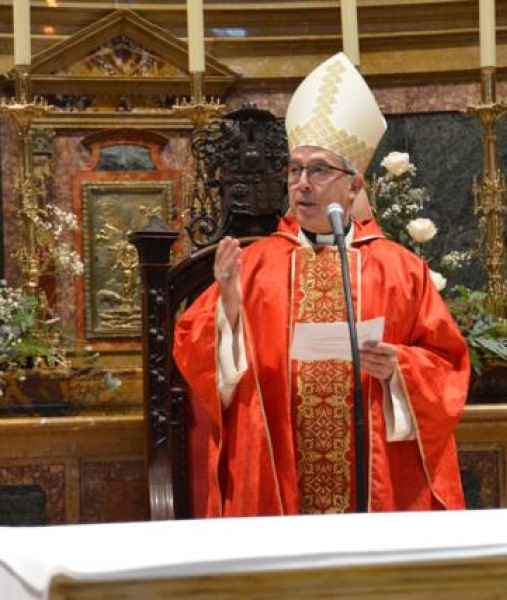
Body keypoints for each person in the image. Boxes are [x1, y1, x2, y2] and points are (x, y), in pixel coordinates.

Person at [174, 52, 470, 518]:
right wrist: (228, 311)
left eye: (318, 170)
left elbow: (449, 365)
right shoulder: (253, 266)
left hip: (377, 481)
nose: (302, 184)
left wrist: (400, 367)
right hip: (278, 480)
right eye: (294, 170)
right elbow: (196, 358)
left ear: (354, 185)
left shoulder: (400, 269)